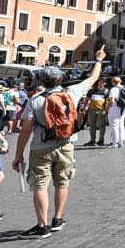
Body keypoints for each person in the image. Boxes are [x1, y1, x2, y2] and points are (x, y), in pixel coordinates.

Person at [13, 47, 105, 238]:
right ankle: (57, 219)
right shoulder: (71, 92)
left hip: (41, 148)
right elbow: (92, 79)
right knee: (62, 183)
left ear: (41, 81)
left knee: (40, 186)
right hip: (66, 145)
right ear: (61, 79)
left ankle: (42, 226)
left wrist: (18, 154)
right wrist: (98, 60)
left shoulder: (35, 100)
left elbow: (25, 131)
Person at [82, 79, 108, 147]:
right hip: (91, 111)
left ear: (105, 83)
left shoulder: (106, 91)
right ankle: (92, 141)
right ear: (98, 82)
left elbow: (108, 102)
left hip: (101, 111)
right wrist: (84, 108)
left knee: (101, 126)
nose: (101, 83)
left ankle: (101, 141)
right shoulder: (92, 90)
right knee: (92, 126)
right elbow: (86, 100)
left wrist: (105, 110)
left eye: (103, 82)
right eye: (100, 82)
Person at [106, 77, 125, 148]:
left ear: (112, 82)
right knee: (121, 125)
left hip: (114, 108)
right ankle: (121, 142)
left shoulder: (113, 89)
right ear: (120, 81)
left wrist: (106, 108)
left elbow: (111, 101)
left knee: (114, 125)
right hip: (123, 108)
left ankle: (115, 143)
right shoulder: (124, 88)